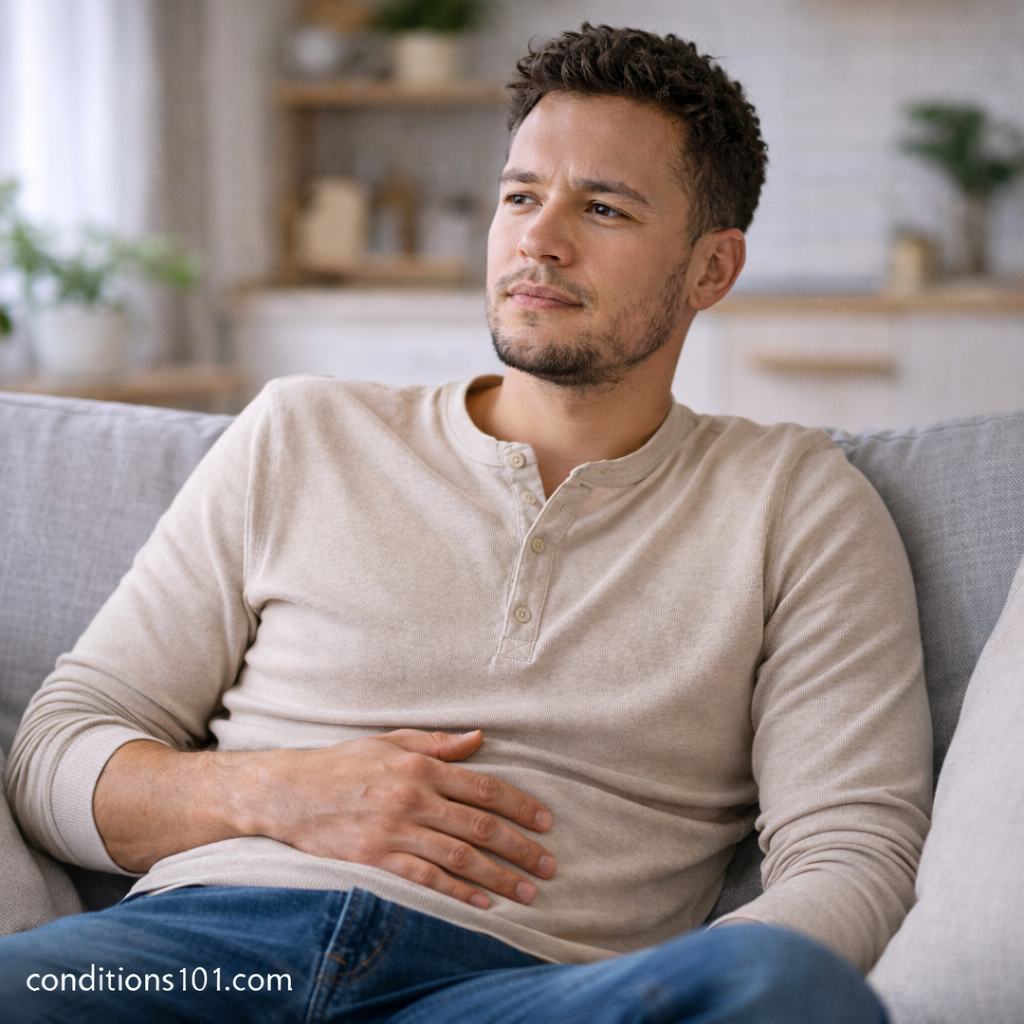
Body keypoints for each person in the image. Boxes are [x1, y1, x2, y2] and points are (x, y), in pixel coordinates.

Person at [1, 23, 931, 1023]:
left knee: (784, 989)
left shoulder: (797, 500)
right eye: (520, 195)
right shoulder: (302, 430)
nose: (538, 237)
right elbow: (56, 752)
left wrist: (674, 988)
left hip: (521, 994)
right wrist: (272, 792)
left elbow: (850, 852)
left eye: (603, 207)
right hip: (190, 960)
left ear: (711, 268)